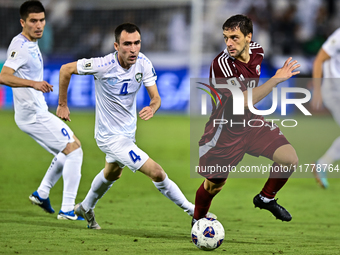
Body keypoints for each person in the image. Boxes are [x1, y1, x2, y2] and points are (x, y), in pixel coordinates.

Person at [56, 23, 212, 229]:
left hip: (128, 133)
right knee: (156, 172)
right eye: (127, 44)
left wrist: (153, 107)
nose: (133, 49)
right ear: (116, 46)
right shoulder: (102, 64)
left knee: (112, 173)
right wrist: (62, 104)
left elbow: (156, 97)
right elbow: (65, 69)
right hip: (109, 137)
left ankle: (85, 206)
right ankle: (194, 211)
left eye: (137, 43)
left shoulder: (143, 63)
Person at [193, 14, 301, 225]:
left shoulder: (258, 51)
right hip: (225, 131)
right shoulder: (222, 64)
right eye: (226, 38)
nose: (229, 43)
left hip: (251, 124)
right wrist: (277, 79)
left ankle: (265, 198)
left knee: (289, 159)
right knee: (214, 185)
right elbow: (242, 101)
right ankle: (197, 221)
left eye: (234, 37)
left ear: (248, 37)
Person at [0, 0, 84, 221]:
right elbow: (3, 76)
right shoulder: (20, 47)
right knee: (75, 150)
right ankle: (67, 210)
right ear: (22, 22)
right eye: (33, 21)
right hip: (33, 114)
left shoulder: (31, 43)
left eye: (42, 20)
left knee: (66, 151)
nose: (39, 25)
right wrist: (34, 84)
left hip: (34, 112)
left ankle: (42, 193)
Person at [310, 27, 340, 189]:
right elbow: (319, 60)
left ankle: (323, 163)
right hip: (334, 92)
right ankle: (322, 163)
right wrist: (317, 89)